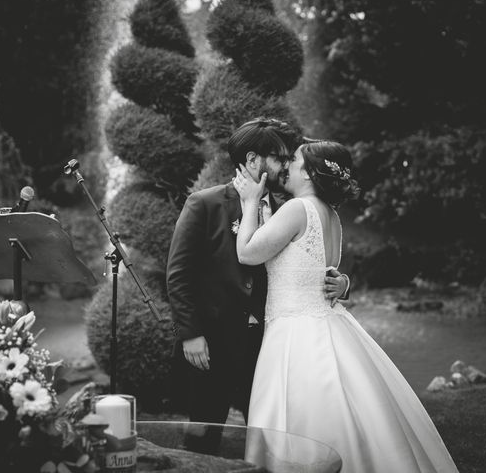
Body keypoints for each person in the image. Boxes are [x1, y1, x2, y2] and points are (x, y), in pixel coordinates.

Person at [234, 141, 460, 472]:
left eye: (294, 160)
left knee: (303, 417)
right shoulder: (333, 216)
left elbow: (248, 253)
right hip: (327, 321)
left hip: (296, 333)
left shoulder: (298, 209)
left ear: (309, 173)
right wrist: (344, 284)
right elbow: (326, 271)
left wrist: (250, 202)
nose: (287, 165)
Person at [166, 119, 350, 453]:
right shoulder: (205, 204)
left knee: (272, 437)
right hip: (213, 345)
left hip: (272, 349)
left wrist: (342, 282)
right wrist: (190, 333)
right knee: (202, 437)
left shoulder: (291, 207)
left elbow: (314, 261)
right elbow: (179, 274)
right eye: (280, 157)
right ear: (253, 160)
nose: (285, 166)